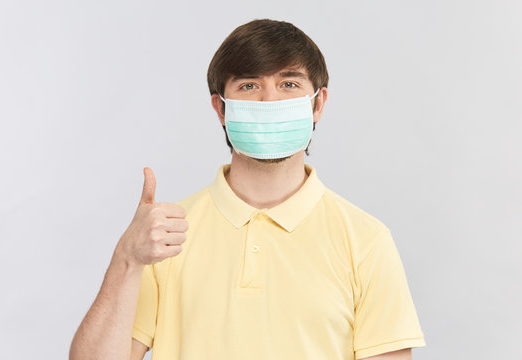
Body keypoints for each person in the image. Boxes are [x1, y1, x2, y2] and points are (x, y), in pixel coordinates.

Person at [69, 19, 426, 360]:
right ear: (220, 108)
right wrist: (127, 259)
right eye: (249, 85)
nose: (269, 101)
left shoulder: (366, 242)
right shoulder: (166, 237)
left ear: (318, 103)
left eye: (289, 84)